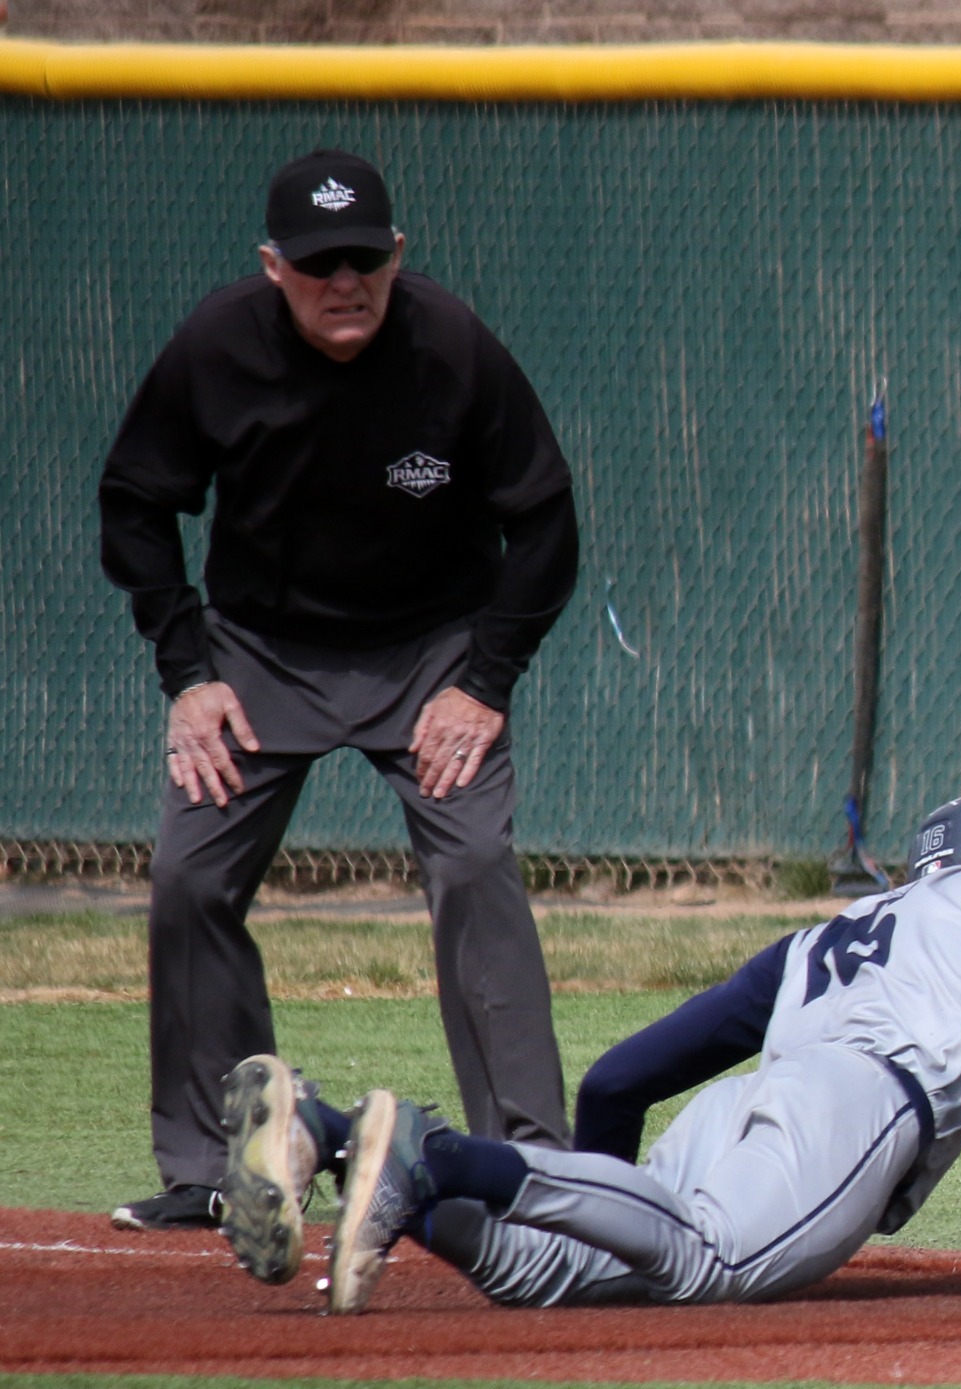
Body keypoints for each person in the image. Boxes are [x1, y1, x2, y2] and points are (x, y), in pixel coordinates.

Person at [218, 793, 961, 1313]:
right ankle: (433, 1158)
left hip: (744, 1109)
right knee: (708, 1262)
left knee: (549, 1274)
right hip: (859, 1108)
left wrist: (607, 1199)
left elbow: (617, 1079)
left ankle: (341, 1136)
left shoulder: (821, 935)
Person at [98, 149, 578, 1232]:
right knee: (188, 875)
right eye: (318, 263)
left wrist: (486, 681)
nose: (344, 281)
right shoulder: (215, 349)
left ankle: (531, 1168)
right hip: (259, 654)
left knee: (477, 866)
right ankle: (222, 1167)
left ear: (398, 254)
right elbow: (134, 502)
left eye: (365, 257)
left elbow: (545, 520)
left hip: (433, 657)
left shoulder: (451, 348)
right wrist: (189, 674)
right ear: (274, 267)